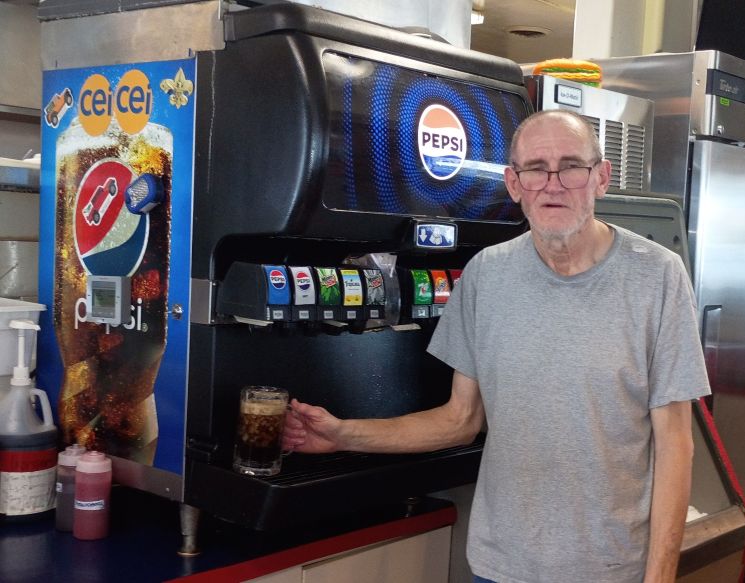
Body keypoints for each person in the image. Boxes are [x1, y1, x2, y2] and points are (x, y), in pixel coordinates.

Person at [282, 109, 711, 583]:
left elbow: (675, 445)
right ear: (513, 184)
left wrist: (659, 577)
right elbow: (459, 420)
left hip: (611, 570)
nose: (552, 185)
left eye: (571, 166)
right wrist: (343, 435)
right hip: (499, 567)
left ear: (601, 178)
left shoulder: (657, 276)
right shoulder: (486, 275)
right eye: (535, 169)